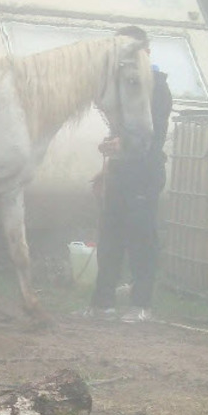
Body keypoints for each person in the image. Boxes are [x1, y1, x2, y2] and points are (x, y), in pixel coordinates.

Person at [84, 63, 173, 322]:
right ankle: (103, 303)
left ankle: (142, 305)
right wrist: (110, 160)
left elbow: (154, 133)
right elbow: (123, 132)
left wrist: (123, 143)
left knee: (141, 239)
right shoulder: (126, 88)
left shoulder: (157, 88)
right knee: (109, 236)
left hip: (145, 173)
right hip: (120, 173)